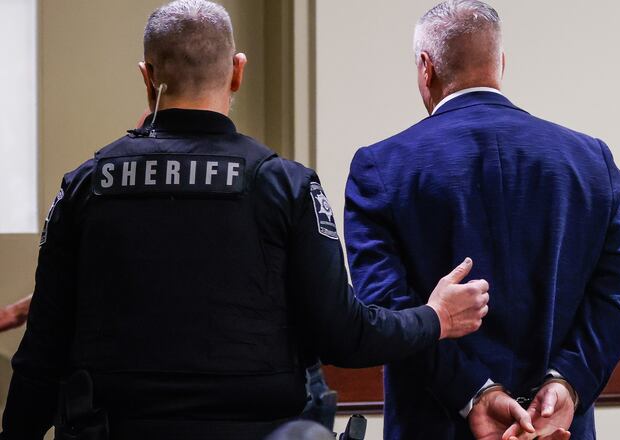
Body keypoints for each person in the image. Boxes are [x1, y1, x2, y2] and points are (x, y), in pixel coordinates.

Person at [0, 1, 491, 439]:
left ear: (146, 77)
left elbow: (42, 352)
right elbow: (344, 335)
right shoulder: (285, 185)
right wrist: (436, 317)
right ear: (238, 72)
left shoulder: (86, 185)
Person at [344, 1, 620, 439]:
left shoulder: (380, 168)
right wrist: (569, 381)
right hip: (553, 428)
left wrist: (473, 391)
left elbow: (386, 304)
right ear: (501, 63)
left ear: (426, 68)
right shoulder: (589, 160)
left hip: (434, 426)